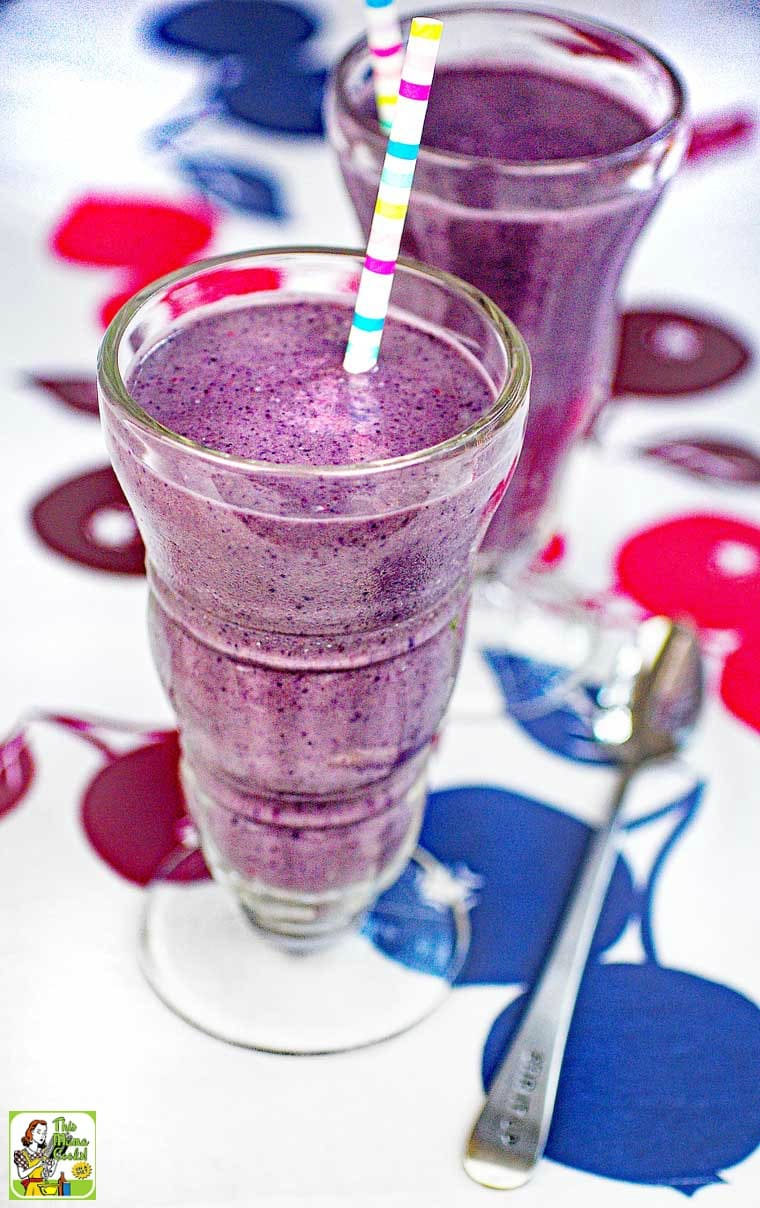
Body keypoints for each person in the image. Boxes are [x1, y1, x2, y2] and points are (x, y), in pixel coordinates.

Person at [13, 1120, 58, 1197]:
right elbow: (21, 1175)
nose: (42, 1136)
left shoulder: (44, 1153)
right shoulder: (21, 1154)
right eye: (39, 1132)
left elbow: (48, 1174)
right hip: (32, 1188)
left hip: (43, 1189)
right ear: (31, 1132)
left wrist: (56, 1160)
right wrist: (37, 1165)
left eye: (44, 1133)